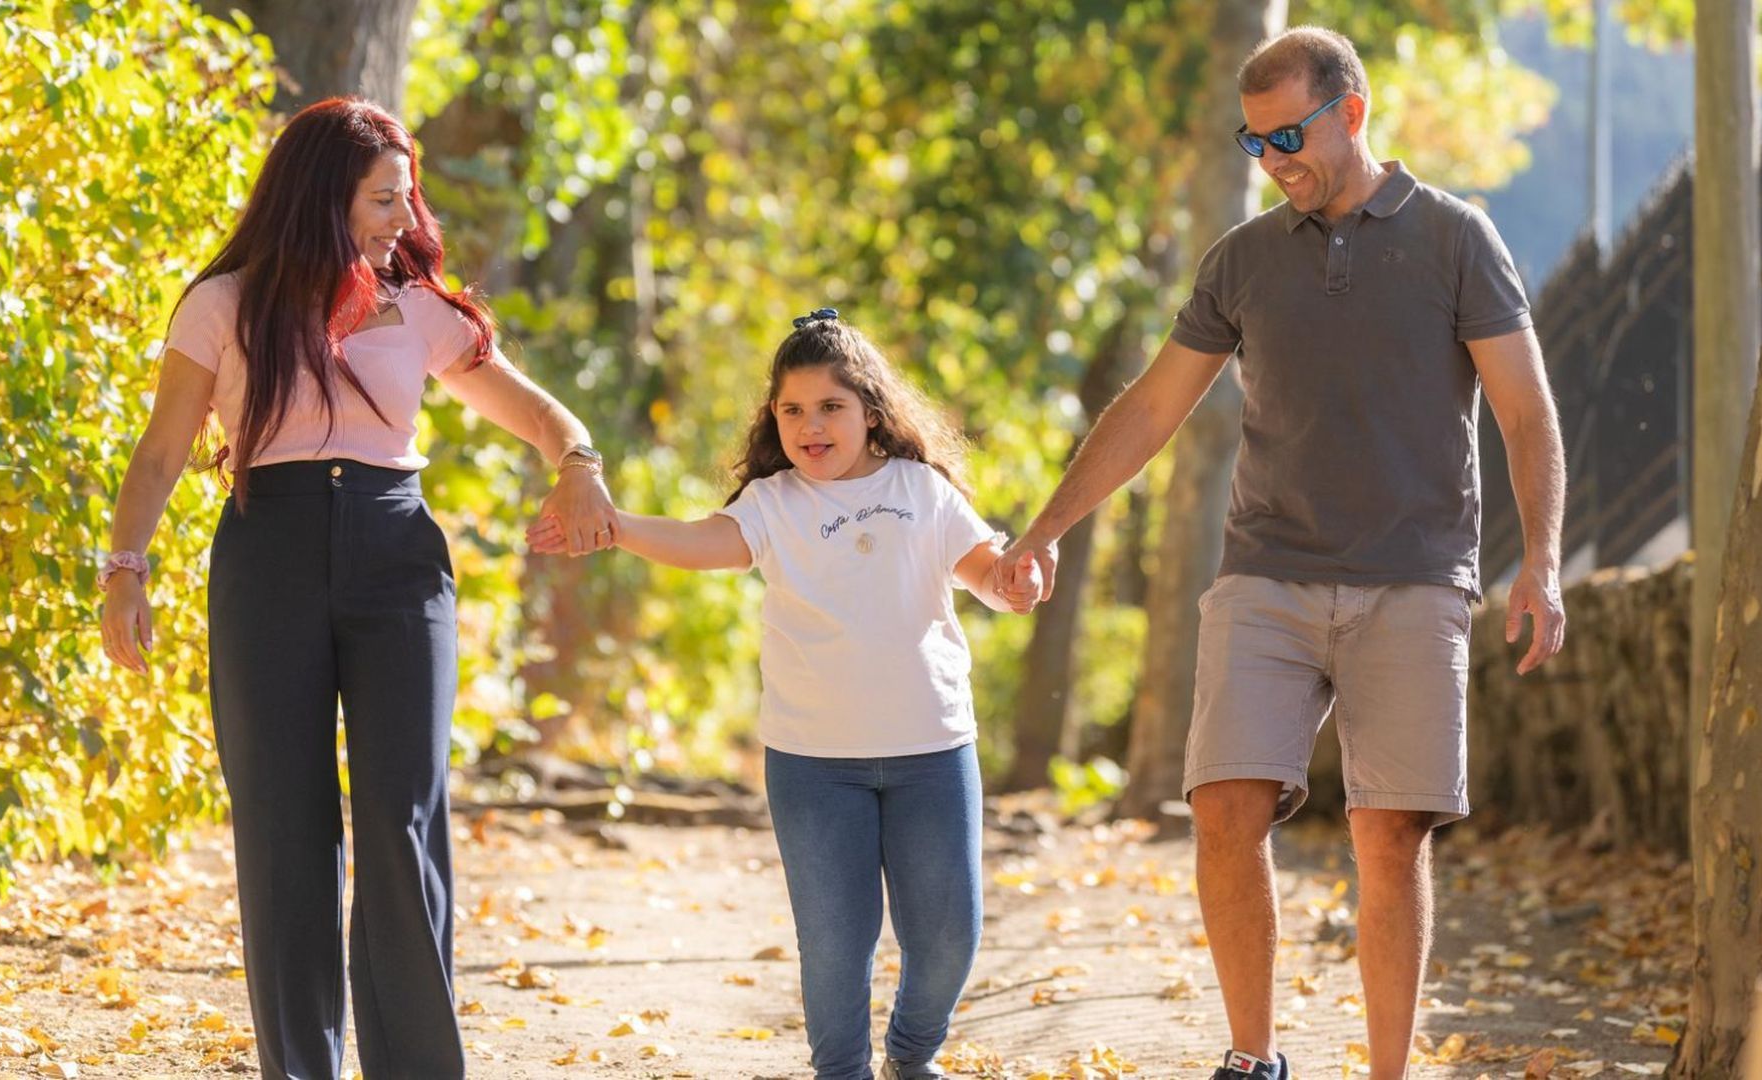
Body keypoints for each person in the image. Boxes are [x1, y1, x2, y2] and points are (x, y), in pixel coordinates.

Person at [994, 27, 1567, 1080]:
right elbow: (1152, 409)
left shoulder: (1456, 238)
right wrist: (1043, 529)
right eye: (1254, 142)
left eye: (1290, 137)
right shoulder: (1243, 259)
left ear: (1352, 112)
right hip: (1266, 572)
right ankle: (1253, 1059)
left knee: (1388, 837)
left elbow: (1524, 411)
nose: (1273, 161)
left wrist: (1543, 559)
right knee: (1223, 806)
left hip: (1414, 579)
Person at [97, 97, 618, 1080]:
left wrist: (579, 465)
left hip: (397, 559)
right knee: (282, 822)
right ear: (323, 197)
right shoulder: (222, 305)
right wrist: (125, 570)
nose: (403, 218)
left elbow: (541, 415)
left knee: (401, 817)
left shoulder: (418, 308)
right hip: (268, 555)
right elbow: (161, 452)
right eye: (384, 199)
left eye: (406, 199)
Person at [528, 309, 1043, 1080]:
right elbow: (699, 542)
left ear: (872, 411)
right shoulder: (773, 503)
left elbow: (989, 578)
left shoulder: (923, 491)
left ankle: (912, 1052)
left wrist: (1016, 581)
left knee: (948, 936)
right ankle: (842, 1071)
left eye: (831, 406)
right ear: (774, 417)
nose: (811, 426)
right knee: (835, 944)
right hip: (813, 763)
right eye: (792, 410)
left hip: (933, 750)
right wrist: (613, 525)